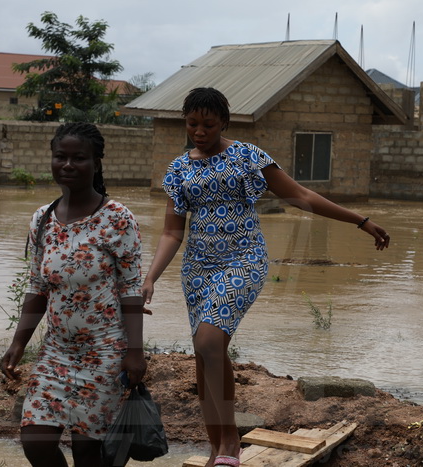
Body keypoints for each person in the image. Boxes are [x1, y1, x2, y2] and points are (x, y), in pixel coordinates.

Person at [141, 87, 390, 467]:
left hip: (243, 259)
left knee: (209, 342)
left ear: (224, 121)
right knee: (204, 355)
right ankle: (215, 449)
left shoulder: (246, 156)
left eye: (208, 124)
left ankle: (229, 444)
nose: (199, 131)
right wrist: (150, 277)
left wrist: (361, 221)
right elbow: (173, 233)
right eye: (192, 124)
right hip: (198, 269)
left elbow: (302, 195)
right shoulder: (178, 169)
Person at [1, 122, 147, 467]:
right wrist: (19, 342)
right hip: (57, 351)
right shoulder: (43, 219)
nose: (67, 165)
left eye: (78, 158)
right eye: (60, 157)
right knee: (35, 441)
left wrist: (135, 352)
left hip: (105, 352)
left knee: (89, 453)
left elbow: (130, 290)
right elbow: (37, 287)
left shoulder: (117, 218)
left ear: (96, 163)